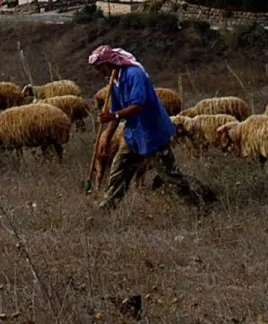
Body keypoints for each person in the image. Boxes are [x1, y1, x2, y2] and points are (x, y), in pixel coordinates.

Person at [88, 45, 212, 209]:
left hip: (153, 133)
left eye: (99, 67)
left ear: (109, 63)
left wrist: (114, 116)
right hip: (133, 135)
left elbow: (138, 106)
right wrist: (108, 137)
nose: (98, 72)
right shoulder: (114, 82)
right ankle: (108, 206)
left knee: (169, 175)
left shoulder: (134, 75)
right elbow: (115, 111)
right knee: (119, 169)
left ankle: (199, 203)